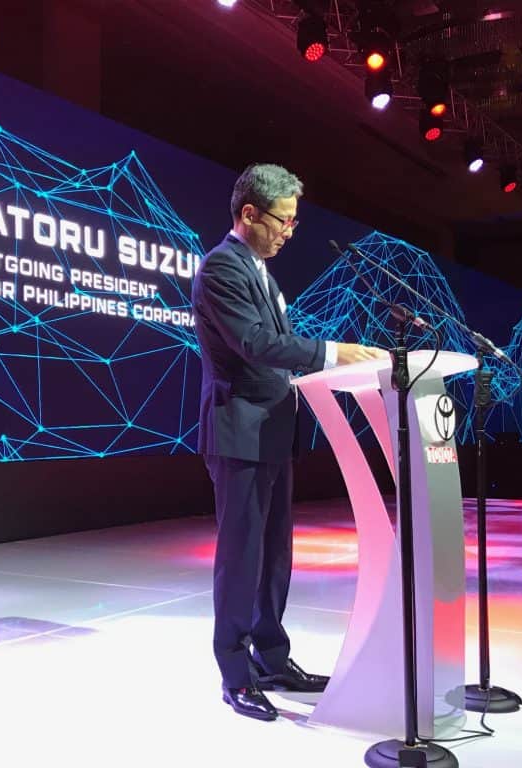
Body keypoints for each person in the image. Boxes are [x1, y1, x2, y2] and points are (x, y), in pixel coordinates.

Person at [191, 163, 384, 721]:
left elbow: (274, 346)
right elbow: (254, 343)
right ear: (250, 213)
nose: (288, 232)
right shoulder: (222, 267)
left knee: (274, 557)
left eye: (294, 222)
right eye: (283, 220)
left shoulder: (260, 272)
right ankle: (236, 674)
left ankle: (272, 659)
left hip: (273, 431)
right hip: (241, 433)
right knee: (242, 559)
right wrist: (332, 353)